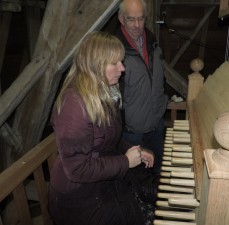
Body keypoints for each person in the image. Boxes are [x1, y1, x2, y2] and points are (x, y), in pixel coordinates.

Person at [47, 31, 154, 225]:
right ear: (95, 65)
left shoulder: (104, 92)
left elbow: (107, 138)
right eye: (115, 63)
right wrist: (125, 162)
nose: (122, 68)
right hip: (77, 196)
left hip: (97, 181)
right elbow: (77, 170)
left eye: (121, 61)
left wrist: (133, 151)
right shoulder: (74, 104)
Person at [115, 0, 168, 174]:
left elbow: (158, 79)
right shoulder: (114, 50)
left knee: (157, 171)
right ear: (121, 19)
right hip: (131, 131)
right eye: (131, 19)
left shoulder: (154, 43)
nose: (137, 25)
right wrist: (121, 125)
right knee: (134, 178)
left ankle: (154, 200)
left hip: (156, 122)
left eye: (141, 19)